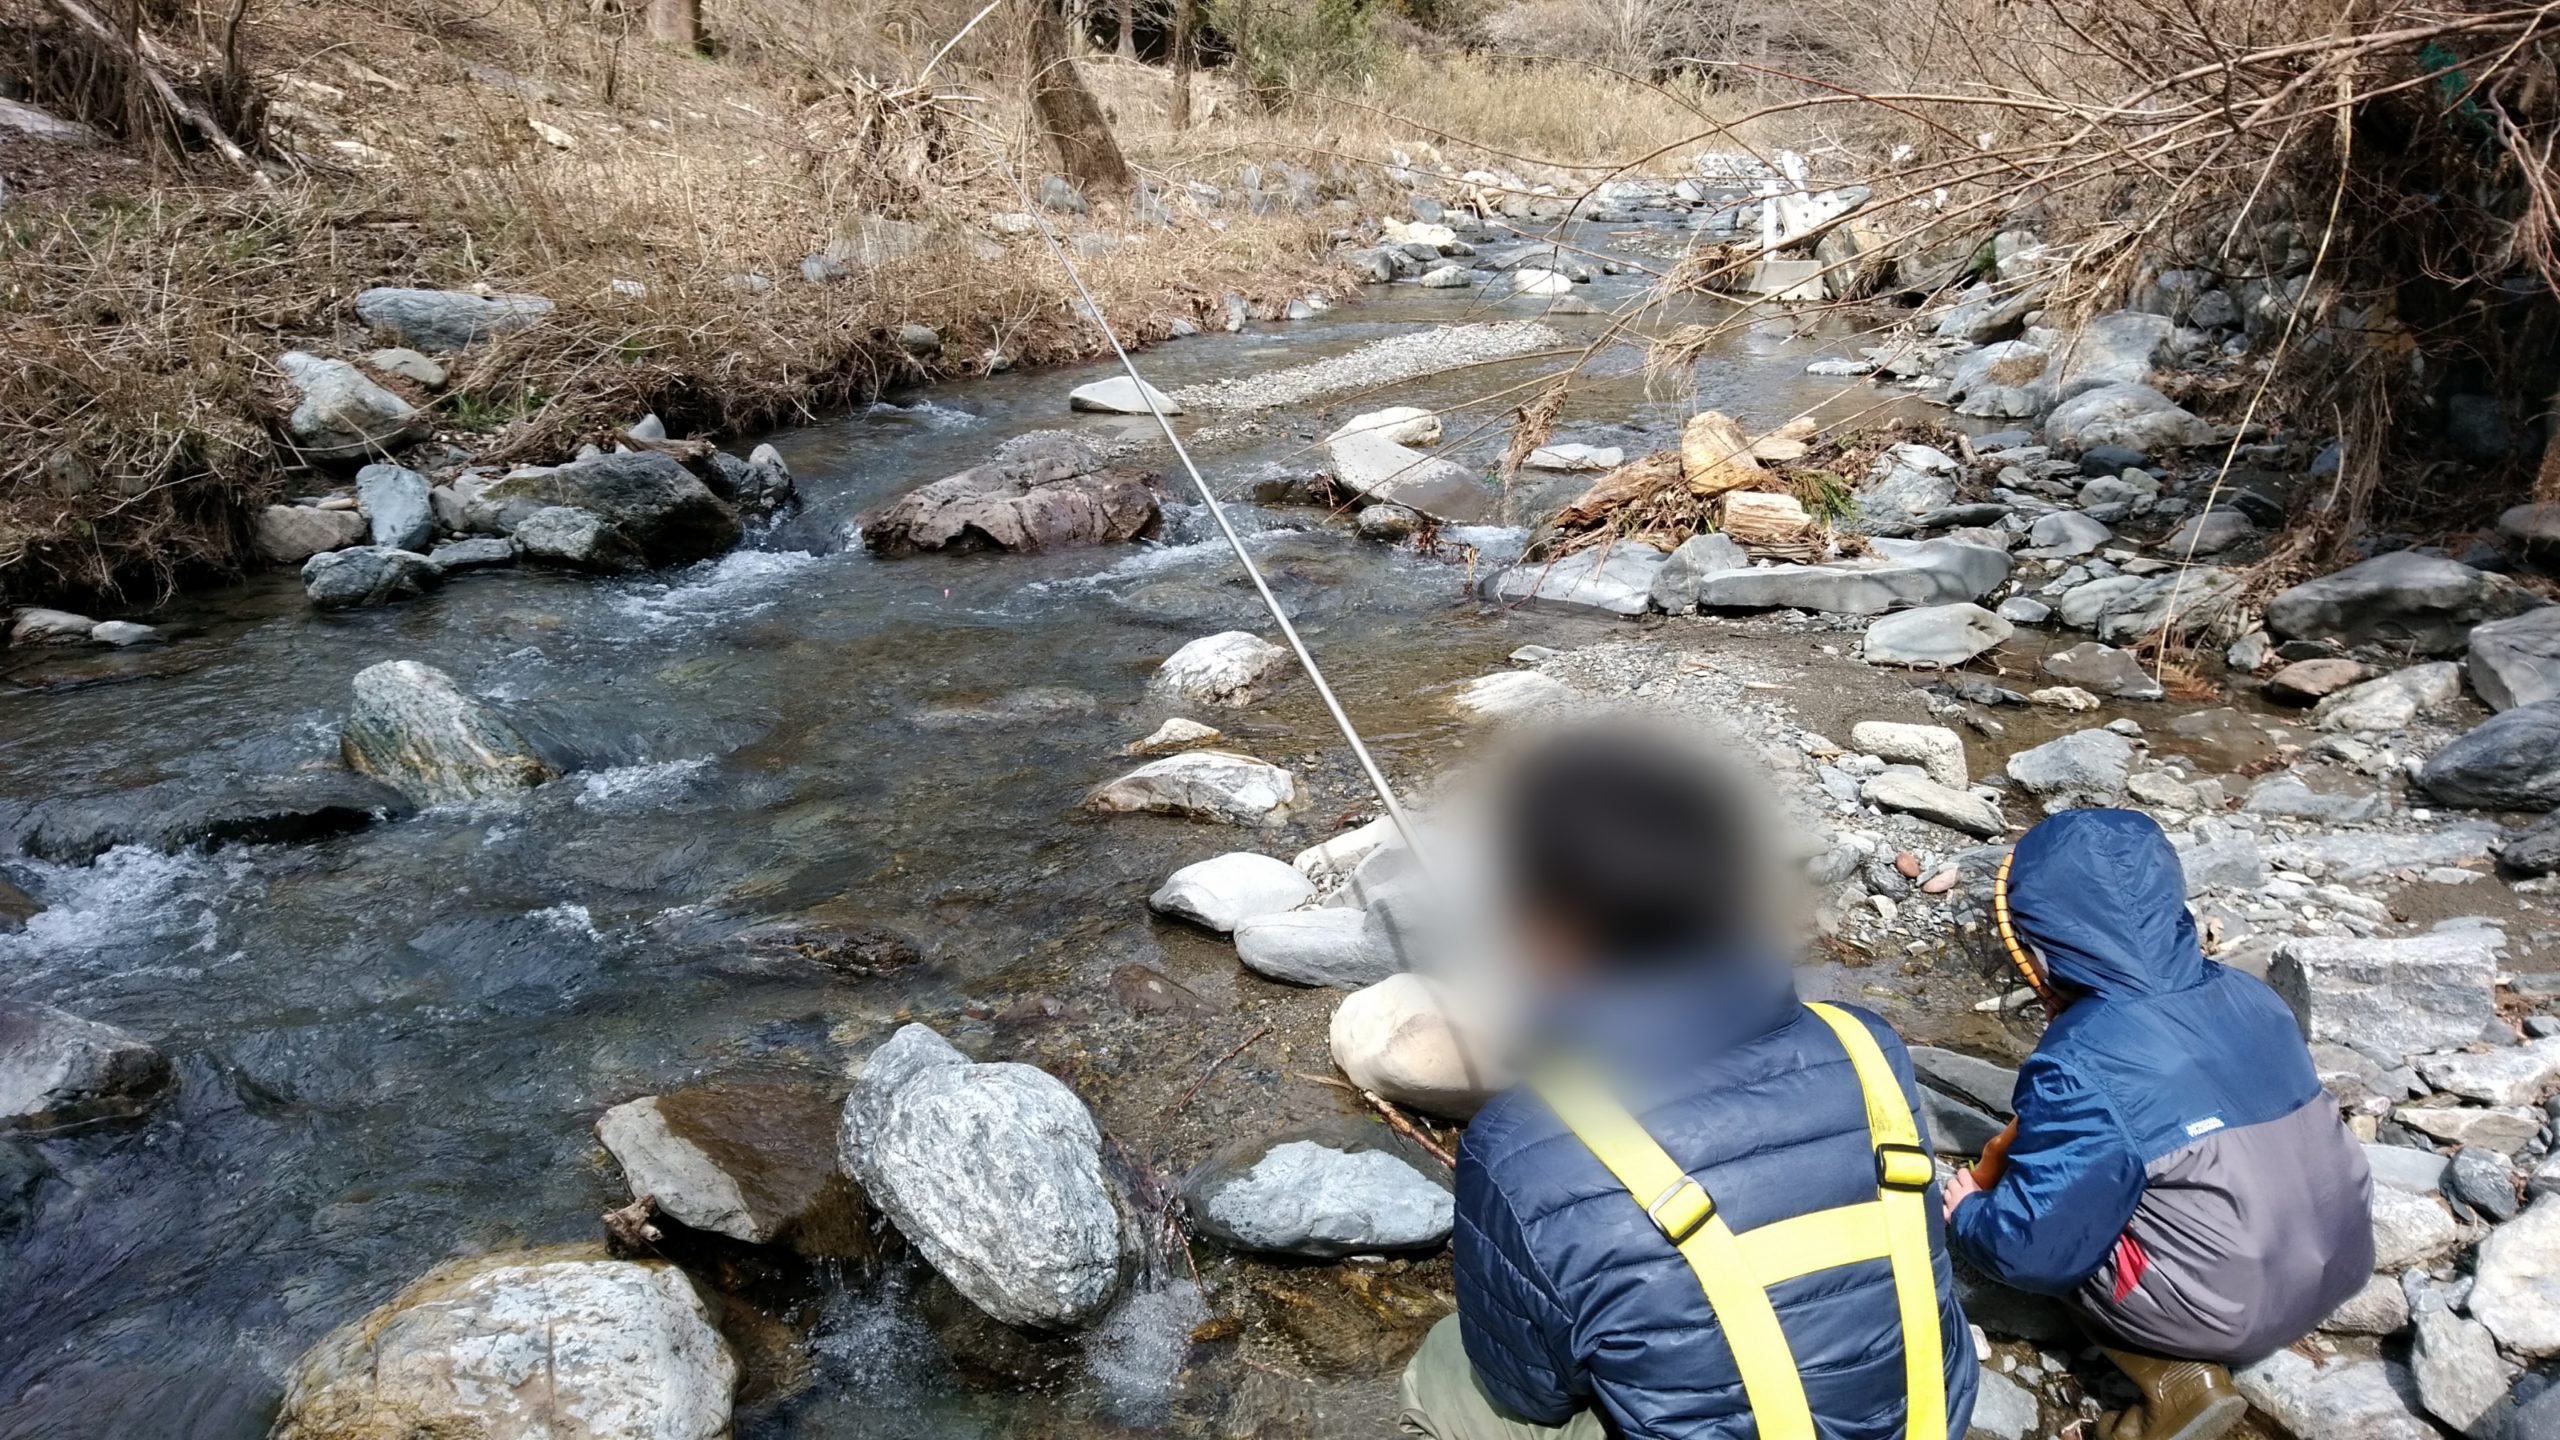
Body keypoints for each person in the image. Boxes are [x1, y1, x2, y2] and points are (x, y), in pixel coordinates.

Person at [1397, 722, 1980, 1440]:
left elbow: (1531, 1392)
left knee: (1446, 1365)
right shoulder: (1869, 1044)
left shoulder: (1519, 1146)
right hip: (1926, 1421)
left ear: (1548, 925)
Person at [1942, 808, 2374, 1440]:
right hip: (2343, 1260)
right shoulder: (2249, 993)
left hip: (2229, 1313)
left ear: (2043, 942)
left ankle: (2175, 1382)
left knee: (2055, 1229)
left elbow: (2033, 1251)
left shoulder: (2081, 1058)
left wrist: (1973, 1213)